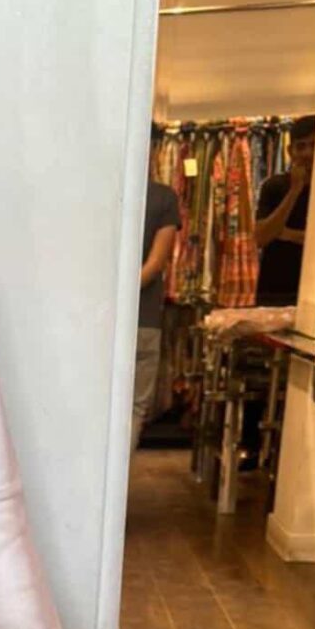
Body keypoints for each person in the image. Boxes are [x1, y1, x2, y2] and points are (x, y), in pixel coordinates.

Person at [133, 125, 181, 448]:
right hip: (143, 317)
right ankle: (121, 476)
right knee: (135, 407)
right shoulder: (164, 197)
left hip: (100, 317)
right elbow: (155, 264)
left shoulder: (101, 192)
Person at [255, 114, 315, 302]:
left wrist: (285, 233)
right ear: (290, 151)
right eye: (301, 146)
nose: (307, 153)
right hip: (275, 289)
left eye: (314, 145)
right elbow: (260, 237)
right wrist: (295, 190)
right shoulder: (274, 186)